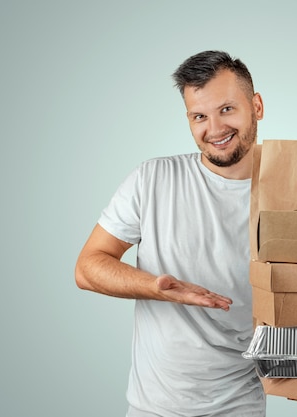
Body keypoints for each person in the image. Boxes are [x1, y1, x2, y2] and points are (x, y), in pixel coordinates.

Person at [75, 50, 266, 417]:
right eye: (199, 116)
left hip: (240, 404)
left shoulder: (291, 190)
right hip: (154, 407)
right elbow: (87, 267)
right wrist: (156, 288)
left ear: (256, 106)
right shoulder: (153, 180)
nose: (214, 129)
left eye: (227, 109)